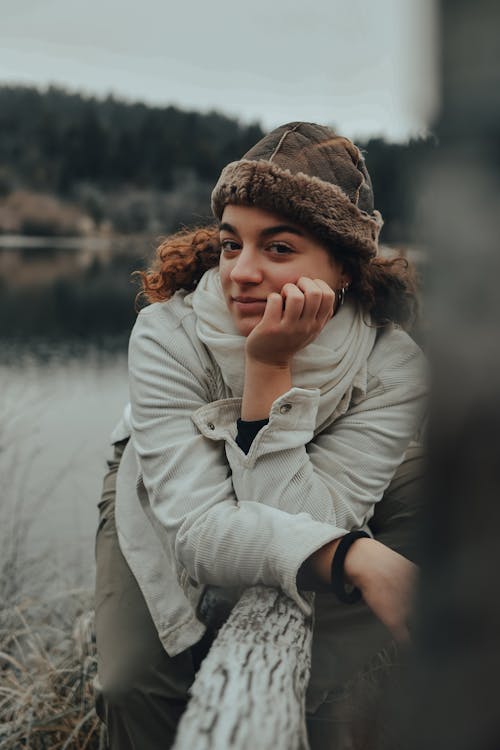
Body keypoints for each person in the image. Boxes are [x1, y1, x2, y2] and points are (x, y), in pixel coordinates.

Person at [94, 121, 427, 749]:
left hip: (299, 497)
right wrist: (351, 555)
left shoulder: (390, 365)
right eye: (230, 245)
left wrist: (268, 377)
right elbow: (197, 530)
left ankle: (302, 697)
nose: (239, 273)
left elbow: (314, 515)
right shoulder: (168, 335)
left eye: (278, 248)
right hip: (157, 491)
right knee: (132, 684)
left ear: (345, 269)